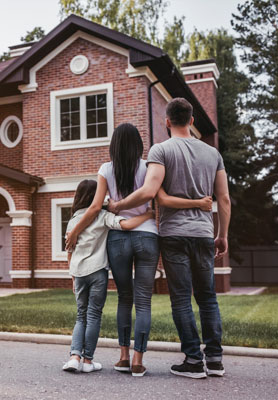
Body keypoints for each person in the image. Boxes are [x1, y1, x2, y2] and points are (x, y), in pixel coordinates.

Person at [65, 123, 211, 377]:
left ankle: (122, 357)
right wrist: (151, 213)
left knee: (124, 297)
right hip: (147, 236)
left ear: (113, 145)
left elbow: (96, 207)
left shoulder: (106, 169)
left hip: (118, 239)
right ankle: (137, 361)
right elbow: (159, 197)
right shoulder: (148, 167)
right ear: (139, 145)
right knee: (143, 301)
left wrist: (76, 230)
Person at [106, 98, 231, 379]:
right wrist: (222, 234)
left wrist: (118, 205)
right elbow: (223, 198)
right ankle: (215, 360)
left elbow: (150, 192)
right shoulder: (213, 153)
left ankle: (193, 360)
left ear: (167, 121)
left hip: (174, 234)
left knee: (182, 299)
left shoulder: (161, 150)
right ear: (192, 120)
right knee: (208, 298)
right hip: (203, 234)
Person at [62, 179, 155, 374]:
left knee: (81, 316)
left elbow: (69, 251)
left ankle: (74, 357)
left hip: (78, 273)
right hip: (97, 272)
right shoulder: (103, 216)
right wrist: (147, 215)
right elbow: (126, 225)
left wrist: (72, 276)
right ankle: (88, 361)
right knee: (93, 315)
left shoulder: (73, 220)